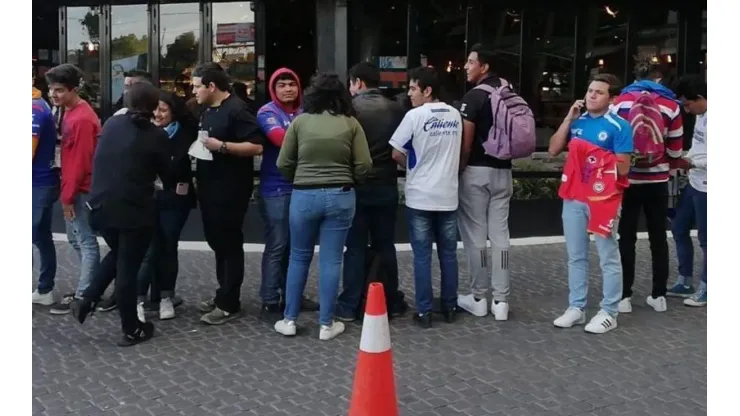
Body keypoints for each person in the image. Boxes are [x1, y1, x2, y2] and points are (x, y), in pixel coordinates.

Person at [273, 72, 372, 341]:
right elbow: (364, 164)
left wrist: (300, 178)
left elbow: (283, 162)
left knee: (298, 256)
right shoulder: (351, 123)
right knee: (332, 259)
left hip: (304, 195)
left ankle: (289, 319)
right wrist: (351, 178)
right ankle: (326, 324)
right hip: (341, 194)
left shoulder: (299, 122)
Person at [71, 82, 170, 347]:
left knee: (120, 253)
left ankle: (88, 299)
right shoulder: (156, 135)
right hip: (133, 212)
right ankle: (131, 329)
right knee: (128, 268)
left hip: (99, 208)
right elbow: (168, 175)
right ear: (154, 107)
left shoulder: (112, 125)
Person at [548, 73, 633, 334]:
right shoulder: (578, 123)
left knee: (607, 254)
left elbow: (624, 167)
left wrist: (592, 156)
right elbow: (553, 149)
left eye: (599, 92)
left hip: (603, 198)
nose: (592, 95)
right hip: (574, 195)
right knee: (576, 255)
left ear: (611, 98)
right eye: (590, 90)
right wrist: (567, 119)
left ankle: (610, 310)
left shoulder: (619, 126)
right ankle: (576, 307)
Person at [191, 63, 265, 325]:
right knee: (217, 241)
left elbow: (256, 146)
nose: (193, 90)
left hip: (230, 188)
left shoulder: (237, 109)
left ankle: (229, 302)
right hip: (209, 186)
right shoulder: (207, 109)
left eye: (197, 85)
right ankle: (223, 292)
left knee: (229, 243)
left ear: (211, 86)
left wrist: (222, 146)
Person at [390, 66, 463, 328]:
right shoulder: (455, 114)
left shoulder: (415, 116)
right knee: (448, 254)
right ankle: (450, 305)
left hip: (420, 195)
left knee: (422, 256)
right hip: (448, 194)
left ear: (427, 90)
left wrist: (412, 164)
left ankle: (424, 311)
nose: (409, 93)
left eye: (412, 88)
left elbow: (396, 152)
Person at [611, 58, 684, 313]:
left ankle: (624, 296)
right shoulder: (671, 105)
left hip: (628, 180)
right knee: (658, 238)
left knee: (626, 237)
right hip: (658, 180)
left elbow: (612, 141)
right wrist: (669, 165)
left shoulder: (620, 102)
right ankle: (658, 295)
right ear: (659, 79)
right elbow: (675, 149)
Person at [336, 61, 407, 322]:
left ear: (357, 82)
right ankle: (391, 300)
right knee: (385, 244)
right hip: (387, 184)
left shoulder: (350, 110)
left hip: (357, 186)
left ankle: (349, 304)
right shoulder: (396, 109)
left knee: (353, 247)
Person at [456, 43, 515, 320]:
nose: (466, 66)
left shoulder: (474, 96)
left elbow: (466, 144)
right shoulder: (509, 91)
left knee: (476, 237)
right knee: (501, 236)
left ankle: (479, 297)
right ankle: (501, 302)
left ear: (484, 66)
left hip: (477, 171)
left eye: (470, 62)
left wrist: (460, 168)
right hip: (504, 171)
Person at [255, 67, 320, 322]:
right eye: (281, 85)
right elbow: (280, 139)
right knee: (277, 245)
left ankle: (293, 295)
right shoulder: (267, 112)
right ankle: (270, 300)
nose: (287, 89)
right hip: (276, 189)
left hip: (303, 186)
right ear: (273, 89)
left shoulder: (306, 112)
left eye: (291, 84)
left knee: (297, 247)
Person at [135, 91, 197, 321]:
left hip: (175, 199)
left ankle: (165, 297)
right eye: (155, 109)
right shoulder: (143, 131)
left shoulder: (187, 132)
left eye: (163, 109)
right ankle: (139, 299)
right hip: (147, 199)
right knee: (149, 250)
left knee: (169, 246)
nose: (158, 114)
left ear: (173, 110)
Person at [45, 64, 102, 315]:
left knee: (85, 241)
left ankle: (85, 295)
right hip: (74, 186)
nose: (52, 95)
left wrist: (67, 198)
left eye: (58, 90)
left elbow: (79, 162)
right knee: (76, 239)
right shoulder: (70, 111)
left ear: (73, 89)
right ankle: (88, 288)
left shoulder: (81, 118)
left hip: (80, 189)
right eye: (50, 89)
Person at [669, 75, 707, 307]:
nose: (686, 108)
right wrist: (684, 160)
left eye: (687, 103)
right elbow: (698, 147)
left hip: (709, 188)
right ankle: (684, 280)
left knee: (707, 239)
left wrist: (692, 163)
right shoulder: (702, 117)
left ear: (700, 98)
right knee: (679, 227)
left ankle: (708, 286)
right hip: (694, 183)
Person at [32, 81, 61, 306]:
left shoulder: (34, 111)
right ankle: (44, 289)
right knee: (41, 237)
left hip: (37, 183)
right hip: (42, 182)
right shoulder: (38, 105)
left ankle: (45, 288)